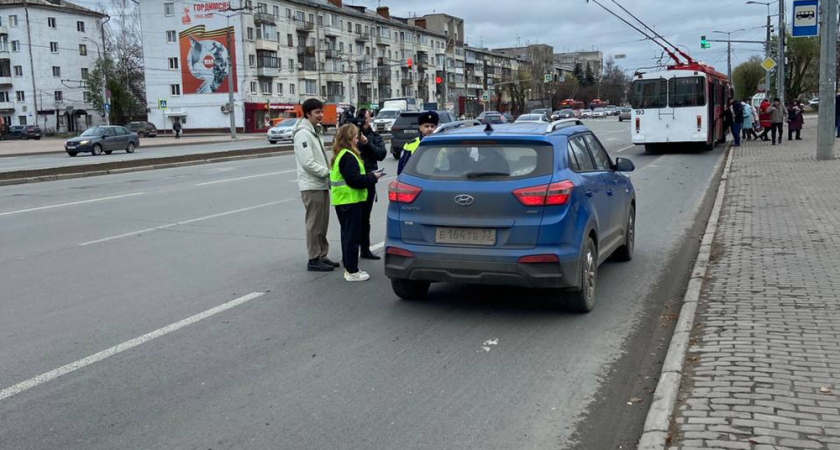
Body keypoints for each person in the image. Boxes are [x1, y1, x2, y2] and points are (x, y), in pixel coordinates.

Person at [330, 124, 385, 282]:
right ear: (348, 138)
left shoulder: (341, 154)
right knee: (352, 237)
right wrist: (372, 178)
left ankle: (349, 266)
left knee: (347, 235)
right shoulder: (348, 156)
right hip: (350, 200)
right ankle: (352, 271)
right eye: (355, 136)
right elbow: (354, 180)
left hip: (343, 200)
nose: (357, 139)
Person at [294, 98, 339, 272]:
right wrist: (328, 173)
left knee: (322, 222)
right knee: (314, 224)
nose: (321, 115)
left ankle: (322, 254)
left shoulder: (314, 131)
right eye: (317, 112)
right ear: (307, 114)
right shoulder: (303, 134)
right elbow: (308, 163)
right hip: (311, 185)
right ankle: (313, 258)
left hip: (320, 184)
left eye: (321, 111)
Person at [354, 108, 387, 260]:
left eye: (366, 117)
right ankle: (353, 249)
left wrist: (366, 143)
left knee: (365, 217)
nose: (364, 120)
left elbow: (381, 154)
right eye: (361, 117)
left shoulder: (374, 136)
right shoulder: (351, 135)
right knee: (354, 217)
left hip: (369, 179)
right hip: (354, 179)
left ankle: (365, 249)